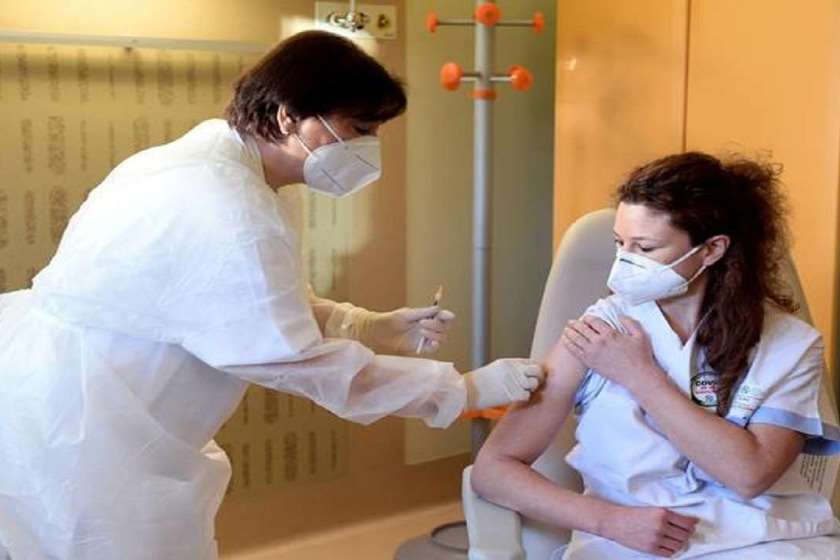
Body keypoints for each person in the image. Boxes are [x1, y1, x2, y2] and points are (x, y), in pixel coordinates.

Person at [0, 31, 544, 560]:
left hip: (57, 391)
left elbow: (249, 304)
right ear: (287, 116)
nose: (368, 149)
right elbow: (291, 359)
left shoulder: (205, 169)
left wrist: (364, 324)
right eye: (357, 128)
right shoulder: (227, 207)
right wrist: (459, 391)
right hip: (82, 431)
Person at [472, 152, 840, 559]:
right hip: (628, 544)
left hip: (766, 543)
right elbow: (493, 469)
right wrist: (608, 520)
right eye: (620, 244)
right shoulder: (598, 332)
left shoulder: (789, 345)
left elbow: (749, 474)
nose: (624, 262)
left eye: (645, 247)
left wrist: (640, 376)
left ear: (712, 249)